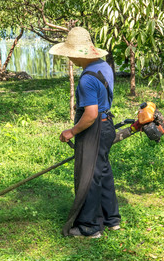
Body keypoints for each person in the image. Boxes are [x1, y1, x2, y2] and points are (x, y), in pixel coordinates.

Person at [49, 27, 121, 238]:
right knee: (102, 172)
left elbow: (90, 114)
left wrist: (72, 131)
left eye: (70, 53)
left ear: (79, 53)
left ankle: (89, 227)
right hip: (106, 125)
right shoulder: (104, 66)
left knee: (89, 176)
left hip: (94, 129)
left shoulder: (86, 80)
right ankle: (111, 219)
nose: (69, 58)